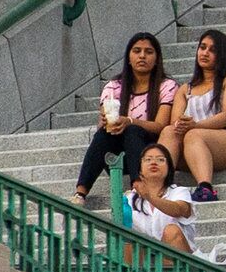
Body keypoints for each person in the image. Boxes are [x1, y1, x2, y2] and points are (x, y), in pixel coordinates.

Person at [72, 32, 175, 203]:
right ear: (128, 57)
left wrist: (130, 121)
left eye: (148, 52)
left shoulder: (167, 86)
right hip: (117, 155)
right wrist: (105, 122)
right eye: (136, 51)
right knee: (104, 134)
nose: (142, 56)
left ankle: (138, 186)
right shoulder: (113, 87)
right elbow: (104, 122)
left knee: (133, 130)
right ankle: (80, 193)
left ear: (157, 58)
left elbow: (161, 125)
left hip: (148, 153)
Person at [159, 29, 226, 194]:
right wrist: (183, 125)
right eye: (202, 47)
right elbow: (175, 122)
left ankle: (205, 188)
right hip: (194, 146)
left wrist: (196, 125)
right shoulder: (185, 89)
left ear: (222, 55)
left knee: (193, 134)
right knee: (169, 131)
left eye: (212, 50)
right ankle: (159, 186)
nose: (205, 53)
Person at [122, 140, 198, 253]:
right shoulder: (129, 198)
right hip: (144, 259)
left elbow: (180, 209)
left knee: (171, 231)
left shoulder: (179, 192)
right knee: (129, 239)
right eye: (148, 159)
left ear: (169, 168)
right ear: (139, 169)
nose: (153, 163)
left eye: (160, 159)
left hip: (178, 258)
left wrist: (149, 197)